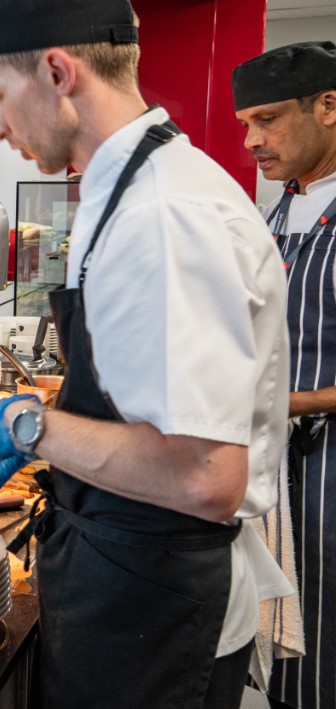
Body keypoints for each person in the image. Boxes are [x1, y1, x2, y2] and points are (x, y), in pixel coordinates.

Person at [0, 0, 291, 708]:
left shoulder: (163, 213)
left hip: (161, 609)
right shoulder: (132, 188)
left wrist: (29, 426)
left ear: (57, 73)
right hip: (126, 581)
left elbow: (204, 475)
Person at [233, 41, 336, 709]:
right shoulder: (276, 211)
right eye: (246, 123)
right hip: (278, 474)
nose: (251, 141)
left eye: (267, 119)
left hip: (329, 473)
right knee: (287, 659)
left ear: (329, 106)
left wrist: (292, 401)